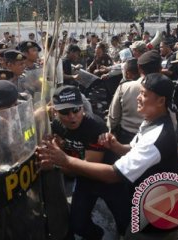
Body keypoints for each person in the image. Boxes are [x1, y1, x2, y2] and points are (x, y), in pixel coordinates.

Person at [37, 73, 178, 239]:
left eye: (143, 94)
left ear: (161, 101)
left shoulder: (157, 135)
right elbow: (133, 149)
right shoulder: (150, 121)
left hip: (158, 207)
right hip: (139, 194)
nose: (138, 97)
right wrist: (116, 146)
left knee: (129, 229)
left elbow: (112, 175)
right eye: (64, 112)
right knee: (81, 224)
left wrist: (63, 160)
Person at [41, 85, 130, 239]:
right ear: (55, 112)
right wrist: (59, 148)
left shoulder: (94, 126)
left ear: (82, 107)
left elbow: (88, 168)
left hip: (108, 179)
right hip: (84, 180)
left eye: (76, 110)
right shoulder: (56, 126)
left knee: (125, 223)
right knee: (78, 225)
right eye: (64, 112)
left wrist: (58, 161)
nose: (72, 116)